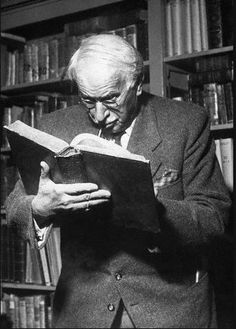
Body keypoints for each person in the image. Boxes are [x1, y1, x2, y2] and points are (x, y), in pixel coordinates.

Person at [6, 34, 231, 328]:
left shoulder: (186, 122)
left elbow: (214, 218)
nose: (99, 115)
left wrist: (155, 211)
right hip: (84, 310)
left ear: (137, 85)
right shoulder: (55, 126)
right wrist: (39, 208)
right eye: (88, 100)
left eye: (111, 98)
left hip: (171, 309)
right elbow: (14, 208)